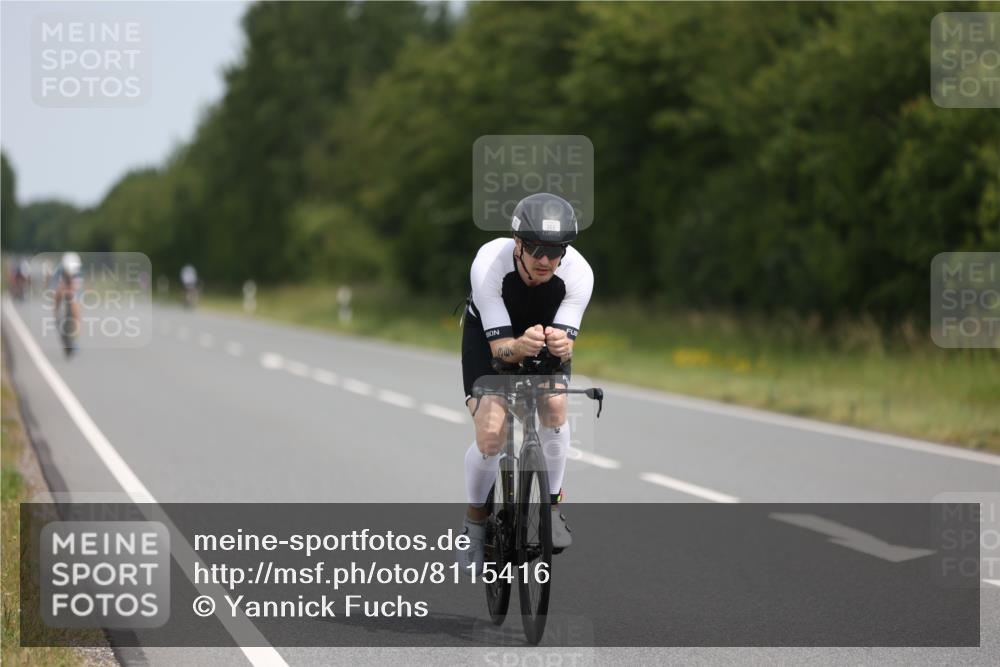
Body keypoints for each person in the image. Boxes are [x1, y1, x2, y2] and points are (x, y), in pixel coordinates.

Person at [456, 193, 594, 575]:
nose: (546, 260)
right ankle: (475, 522)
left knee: (555, 406)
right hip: (490, 340)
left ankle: (551, 507)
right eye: (536, 249)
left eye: (556, 251)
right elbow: (500, 350)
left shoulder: (579, 273)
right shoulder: (489, 264)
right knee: (491, 434)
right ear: (518, 243)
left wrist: (563, 346)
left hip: (542, 336)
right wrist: (519, 346)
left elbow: (565, 344)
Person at [52, 252, 83, 355]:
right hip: (62, 286)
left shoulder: (78, 271)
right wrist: (56, 308)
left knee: (75, 305)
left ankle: (74, 335)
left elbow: (77, 287)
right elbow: (56, 287)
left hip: (73, 288)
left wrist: (72, 292)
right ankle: (56, 313)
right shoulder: (59, 270)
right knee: (58, 293)